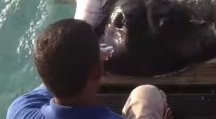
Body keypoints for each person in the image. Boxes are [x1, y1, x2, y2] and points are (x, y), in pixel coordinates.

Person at [6, 19, 172, 119]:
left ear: (44, 77)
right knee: (146, 93)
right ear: (96, 72)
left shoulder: (19, 110)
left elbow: (53, 71)